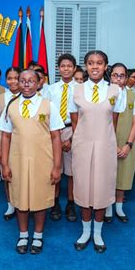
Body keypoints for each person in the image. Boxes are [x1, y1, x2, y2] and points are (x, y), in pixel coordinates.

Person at [0, 69, 64, 254]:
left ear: (39, 83)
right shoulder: (10, 106)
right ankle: (23, 234)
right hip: (17, 159)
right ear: (18, 83)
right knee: (20, 198)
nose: (26, 84)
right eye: (23, 81)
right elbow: (5, 137)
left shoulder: (49, 106)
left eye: (31, 81)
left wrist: (57, 166)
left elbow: (56, 137)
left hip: (42, 160)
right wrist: (4, 163)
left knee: (40, 198)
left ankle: (38, 235)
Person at [69, 50, 126, 253]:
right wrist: (80, 143)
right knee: (84, 187)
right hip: (83, 145)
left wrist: (107, 141)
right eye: (91, 63)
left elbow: (115, 121)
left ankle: (98, 233)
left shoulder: (116, 91)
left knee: (101, 188)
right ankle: (85, 232)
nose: (95, 67)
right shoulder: (75, 90)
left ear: (105, 66)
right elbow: (74, 121)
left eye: (99, 63)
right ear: (85, 66)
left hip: (105, 145)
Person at [105, 63, 135, 223]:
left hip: (127, 142)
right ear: (110, 76)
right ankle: (106, 208)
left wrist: (129, 144)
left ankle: (119, 207)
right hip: (106, 142)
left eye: (122, 76)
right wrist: (112, 144)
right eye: (115, 75)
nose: (118, 79)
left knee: (124, 174)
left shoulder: (133, 96)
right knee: (107, 175)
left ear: (126, 78)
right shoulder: (103, 95)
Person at [47, 53, 77, 222]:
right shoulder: (50, 89)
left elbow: (83, 117)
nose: (66, 69)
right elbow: (46, 114)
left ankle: (71, 204)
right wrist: (57, 138)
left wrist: (72, 139)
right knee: (56, 169)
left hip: (74, 130)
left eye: (69, 66)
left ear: (74, 68)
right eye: (63, 66)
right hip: (54, 132)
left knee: (72, 172)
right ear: (58, 68)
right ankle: (55, 203)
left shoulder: (80, 89)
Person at [0, 66, 21, 219]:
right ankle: (10, 204)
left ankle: (23, 202)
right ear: (5, 80)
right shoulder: (0, 98)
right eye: (10, 78)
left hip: (22, 141)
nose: (13, 81)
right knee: (7, 174)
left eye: (16, 78)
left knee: (22, 173)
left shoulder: (27, 96)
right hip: (4, 141)